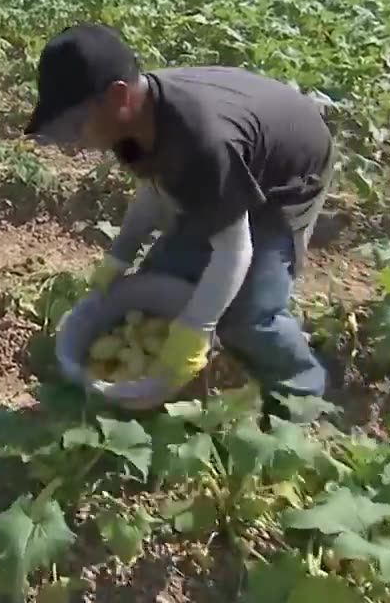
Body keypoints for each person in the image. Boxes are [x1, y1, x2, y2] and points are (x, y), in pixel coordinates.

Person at [24, 22, 338, 422]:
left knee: (248, 312)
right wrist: (119, 258)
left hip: (289, 173)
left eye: (75, 124)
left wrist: (194, 331)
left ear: (118, 97)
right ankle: (176, 383)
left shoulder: (199, 143)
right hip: (235, 156)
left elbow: (233, 250)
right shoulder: (134, 121)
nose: (73, 138)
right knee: (168, 274)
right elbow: (155, 191)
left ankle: (303, 396)